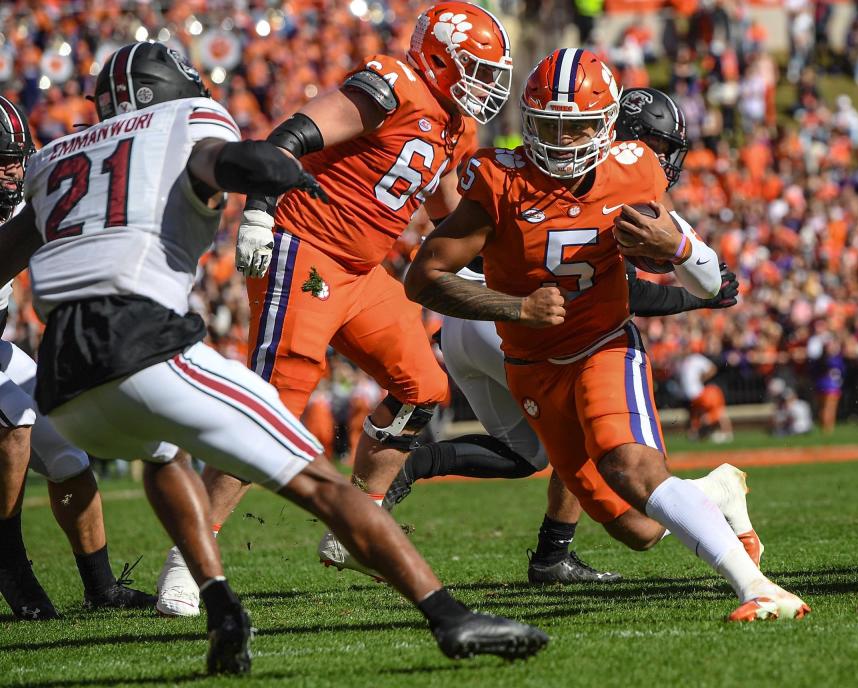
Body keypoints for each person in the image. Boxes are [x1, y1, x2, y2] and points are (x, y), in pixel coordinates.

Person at [0, 42, 545, 672]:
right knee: (280, 421)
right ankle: (447, 616)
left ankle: (239, 584)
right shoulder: (199, 119)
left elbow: (12, 248)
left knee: (421, 383)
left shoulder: (55, 158)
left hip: (68, 375)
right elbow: (256, 150)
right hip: (274, 265)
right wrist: (262, 201)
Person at [405, 48, 810, 622]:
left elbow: (708, 277)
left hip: (602, 346)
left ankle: (758, 588)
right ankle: (715, 492)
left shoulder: (636, 168)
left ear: (607, 124)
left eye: (578, 129)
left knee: (630, 467)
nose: (562, 144)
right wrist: (514, 306)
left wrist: (679, 249)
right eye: (549, 127)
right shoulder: (497, 179)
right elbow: (422, 279)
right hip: (530, 364)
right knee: (638, 529)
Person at [155, 1, 515, 614]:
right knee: (273, 405)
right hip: (305, 247)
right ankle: (190, 560)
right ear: (436, 58)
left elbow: (451, 217)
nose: (485, 86)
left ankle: (357, 522)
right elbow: (291, 136)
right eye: (474, 69)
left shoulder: (458, 126)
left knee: (422, 385)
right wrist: (260, 210)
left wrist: (509, 250)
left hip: (361, 269)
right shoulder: (393, 83)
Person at [0, 95, 154, 620]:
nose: (14, 172)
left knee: (67, 451)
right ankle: (9, 562)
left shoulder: (22, 200)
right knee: (15, 420)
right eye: (3, 161)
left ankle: (101, 586)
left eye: (18, 158)